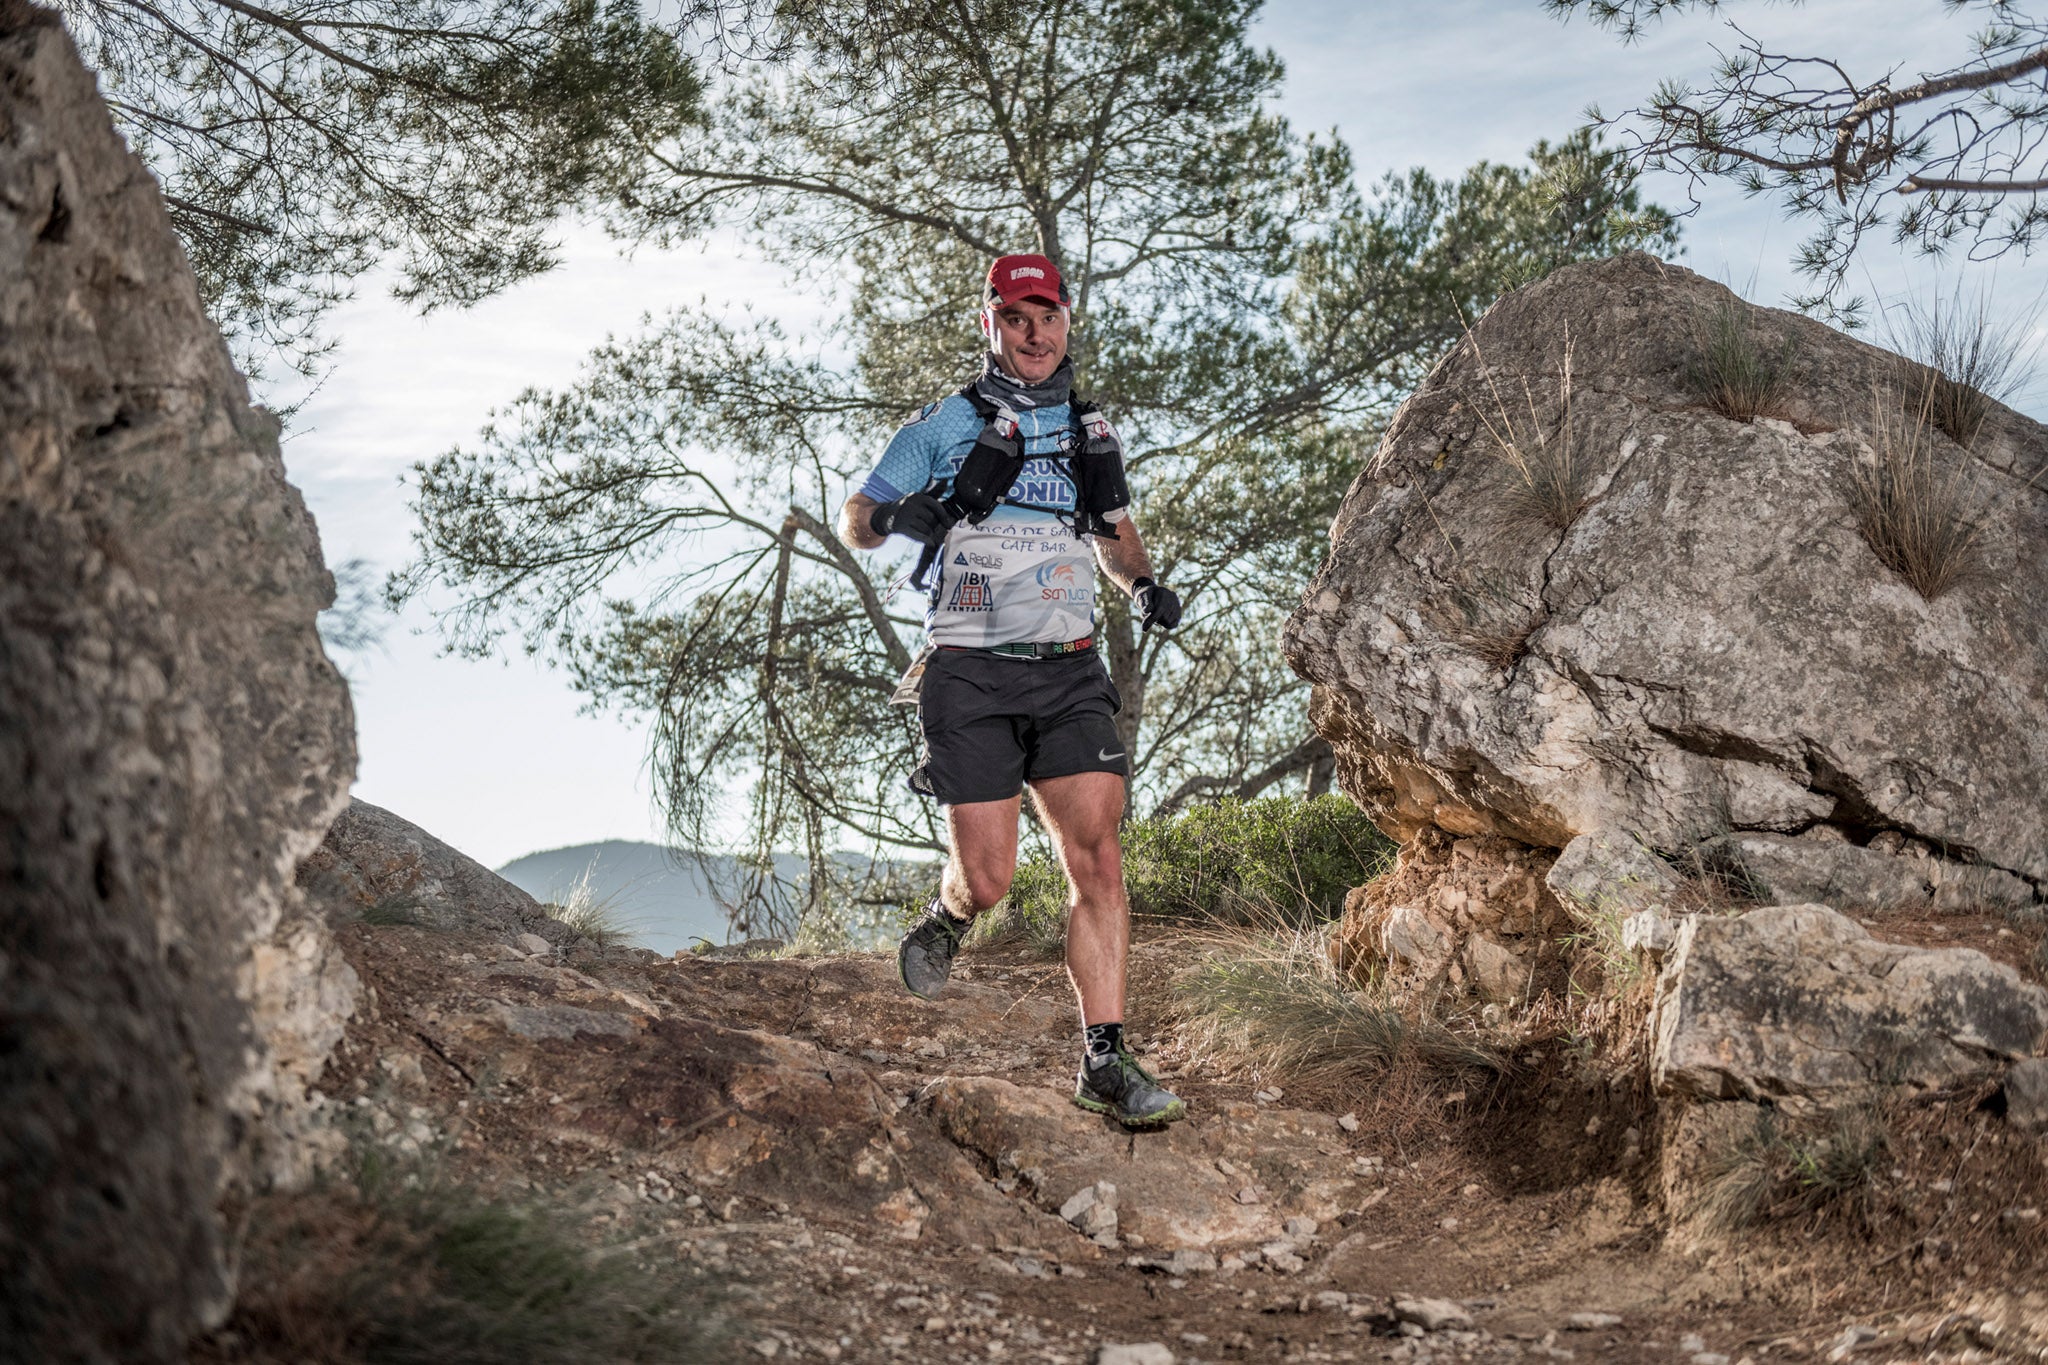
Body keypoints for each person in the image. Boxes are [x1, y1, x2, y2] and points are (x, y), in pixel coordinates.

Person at [836, 253, 1187, 1128]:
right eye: (1016, 316)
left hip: (1068, 668)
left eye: (1048, 315)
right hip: (970, 668)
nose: (1035, 333)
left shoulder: (1088, 430)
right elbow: (856, 519)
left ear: (1067, 322)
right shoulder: (947, 422)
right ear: (990, 324)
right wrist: (892, 517)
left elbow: (1114, 534)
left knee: (1098, 857)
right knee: (991, 879)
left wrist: (1140, 584)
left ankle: (1103, 1058)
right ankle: (951, 914)